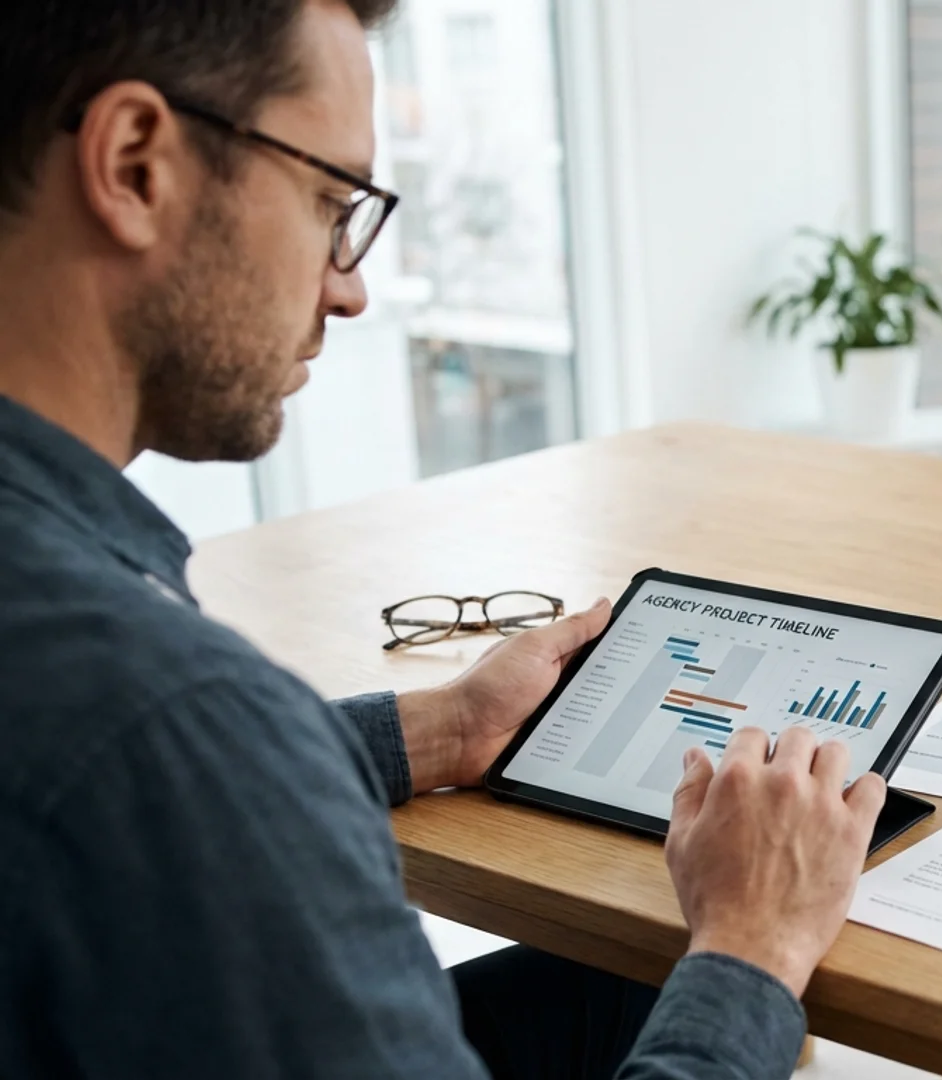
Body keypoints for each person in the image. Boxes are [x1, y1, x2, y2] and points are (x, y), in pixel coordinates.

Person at [0, 1, 888, 1077]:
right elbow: (169, 770)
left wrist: (440, 729)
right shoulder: (172, 720)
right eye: (333, 201)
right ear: (137, 165)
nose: (351, 286)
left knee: (616, 981)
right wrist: (752, 949)